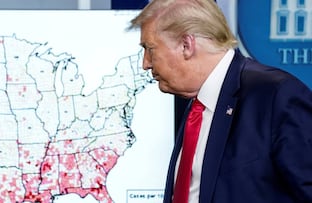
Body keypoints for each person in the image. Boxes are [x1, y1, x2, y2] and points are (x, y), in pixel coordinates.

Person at [128, 0, 312, 202]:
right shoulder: (197, 103)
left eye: (150, 49)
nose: (145, 64)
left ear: (186, 45)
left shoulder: (276, 95)